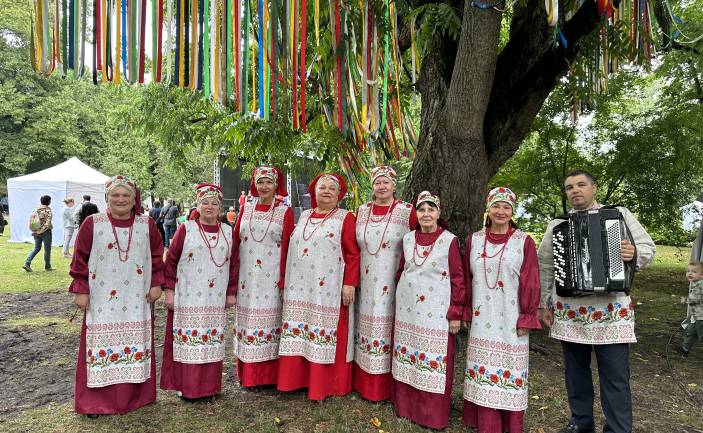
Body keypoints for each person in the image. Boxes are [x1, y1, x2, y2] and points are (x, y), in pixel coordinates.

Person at [537, 170, 655, 433]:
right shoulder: (557, 225)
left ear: (594, 188)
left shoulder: (619, 215)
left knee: (615, 376)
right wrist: (543, 303)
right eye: (569, 187)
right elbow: (544, 264)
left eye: (581, 185)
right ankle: (581, 422)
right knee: (575, 373)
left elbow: (649, 249)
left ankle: (618, 428)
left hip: (611, 311)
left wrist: (633, 252)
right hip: (570, 312)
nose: (575, 190)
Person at [68, 175, 164, 416]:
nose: (120, 199)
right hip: (102, 298)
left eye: (126, 195)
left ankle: (135, 398)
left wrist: (156, 284)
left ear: (134, 199)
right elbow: (80, 258)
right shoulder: (92, 223)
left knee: (135, 342)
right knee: (101, 345)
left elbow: (155, 256)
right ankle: (95, 402)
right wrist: (81, 288)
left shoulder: (147, 225)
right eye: (115, 195)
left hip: (137, 297)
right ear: (107, 198)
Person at [462, 187, 541, 433]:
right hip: (481, 314)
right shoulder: (474, 239)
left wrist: (527, 315)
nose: (501, 211)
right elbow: (465, 277)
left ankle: (511, 423)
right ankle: (486, 423)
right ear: (488, 208)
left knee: (510, 367)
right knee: (483, 366)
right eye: (496, 205)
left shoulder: (523, 241)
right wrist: (464, 310)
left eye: (506, 207)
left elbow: (531, 280)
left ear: (512, 211)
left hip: (511, 315)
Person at [277, 173, 360, 400]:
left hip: (329, 290)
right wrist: (284, 281)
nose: (326, 191)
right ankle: (296, 380)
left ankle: (324, 385)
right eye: (322, 187)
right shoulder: (303, 215)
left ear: (339, 194)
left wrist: (350, 283)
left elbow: (353, 254)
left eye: (331, 188)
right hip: (300, 289)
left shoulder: (346, 218)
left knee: (325, 333)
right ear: (314, 192)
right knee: (300, 332)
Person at [390, 191, 465, 430]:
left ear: (438, 213)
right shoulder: (408, 239)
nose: (426, 214)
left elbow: (458, 278)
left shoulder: (449, 240)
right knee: (408, 356)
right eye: (421, 210)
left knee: (435, 360)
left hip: (436, 312)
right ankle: (406, 407)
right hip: (408, 310)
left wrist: (456, 312)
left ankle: (431, 415)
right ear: (416, 213)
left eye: (431, 209)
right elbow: (402, 270)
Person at [160, 184, 238, 400]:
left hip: (214, 298)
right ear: (198, 205)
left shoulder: (229, 232)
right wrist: (169, 291)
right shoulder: (186, 229)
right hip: (188, 296)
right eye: (205, 202)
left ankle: (210, 387)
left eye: (214, 203)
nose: (210, 207)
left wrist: (231, 292)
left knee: (211, 342)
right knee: (190, 342)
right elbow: (171, 261)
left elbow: (234, 264)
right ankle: (189, 388)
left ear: (220, 207)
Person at [353, 166, 417, 401]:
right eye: (378, 182)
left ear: (394, 185)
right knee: (365, 327)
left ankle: (385, 387)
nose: (381, 187)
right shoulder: (361, 211)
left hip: (393, 282)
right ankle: (363, 383)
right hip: (365, 282)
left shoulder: (406, 211)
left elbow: (422, 240)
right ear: (373, 186)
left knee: (388, 329)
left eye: (386, 182)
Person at [232, 166, 294, 387]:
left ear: (276, 185)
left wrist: (284, 279)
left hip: (270, 278)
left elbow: (288, 247)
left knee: (269, 324)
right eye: (260, 182)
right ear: (254, 185)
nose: (264, 187)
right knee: (247, 323)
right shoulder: (245, 208)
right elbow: (235, 240)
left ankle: (267, 378)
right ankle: (247, 374)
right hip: (247, 279)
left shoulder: (284, 212)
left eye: (268, 182)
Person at [678, 262, 703, 357]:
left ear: (701, 275)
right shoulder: (696, 283)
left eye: (694, 272)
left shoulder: (699, 285)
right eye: (688, 271)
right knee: (691, 332)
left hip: (701, 316)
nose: (690, 273)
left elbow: (695, 299)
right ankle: (684, 349)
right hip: (696, 316)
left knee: (701, 336)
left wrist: (685, 300)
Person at [23, 195, 54, 272]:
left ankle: (27, 263)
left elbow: (32, 222)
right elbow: (47, 223)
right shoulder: (48, 210)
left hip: (36, 231)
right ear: (48, 201)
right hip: (46, 232)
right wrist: (41, 231)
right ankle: (47, 266)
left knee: (37, 248)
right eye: (50, 200)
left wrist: (35, 231)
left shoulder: (36, 209)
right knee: (47, 250)